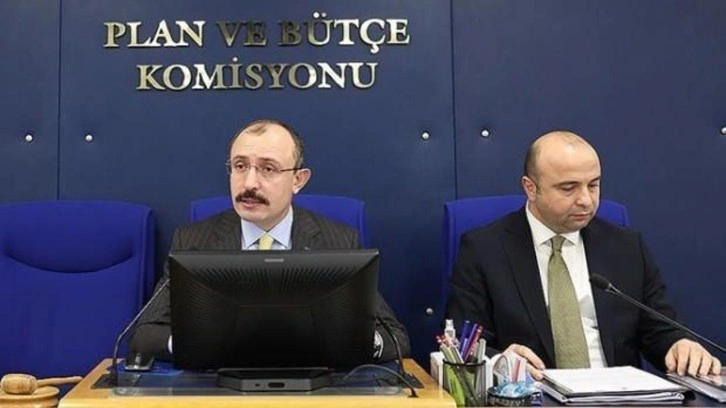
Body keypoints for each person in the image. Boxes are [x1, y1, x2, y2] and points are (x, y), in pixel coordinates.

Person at [446, 130, 721, 379]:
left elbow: (659, 328)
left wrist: (679, 344)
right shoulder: (485, 249)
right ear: (530, 188)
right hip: (536, 395)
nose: (586, 200)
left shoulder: (625, 246)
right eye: (569, 188)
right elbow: (464, 343)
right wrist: (500, 363)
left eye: (593, 185)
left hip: (619, 397)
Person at [130, 119, 410, 362]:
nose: (249, 183)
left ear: (298, 180)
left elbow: (395, 338)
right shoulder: (193, 241)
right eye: (240, 166)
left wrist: (350, 342)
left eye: (268, 169)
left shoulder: (337, 240)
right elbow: (145, 336)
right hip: (222, 388)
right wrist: (199, 344)